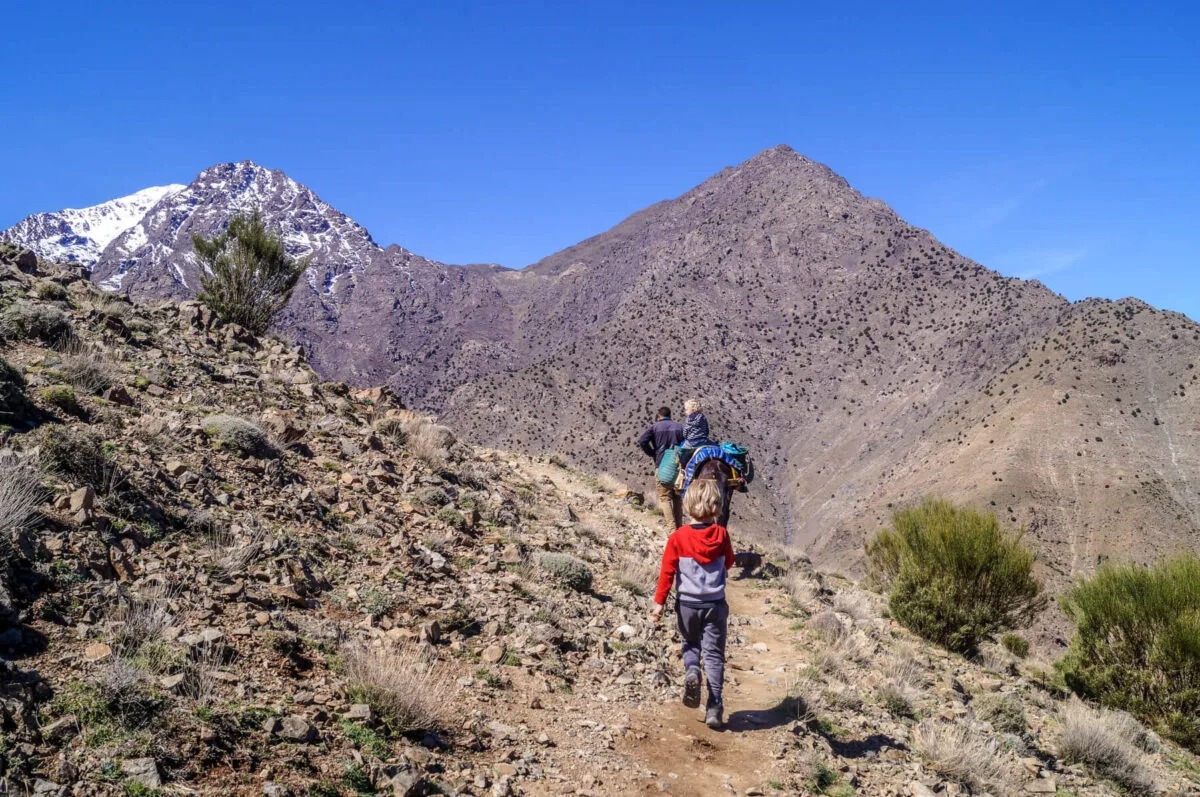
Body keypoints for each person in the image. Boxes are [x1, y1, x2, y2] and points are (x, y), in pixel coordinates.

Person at [649, 478, 734, 729]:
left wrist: (659, 605)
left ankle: (691, 671)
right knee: (714, 654)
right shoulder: (721, 534)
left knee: (690, 643)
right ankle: (715, 705)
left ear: (687, 505)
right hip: (715, 603)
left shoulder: (678, 537)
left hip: (687, 603)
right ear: (716, 506)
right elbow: (729, 561)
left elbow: (667, 572)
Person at [637, 406, 684, 528]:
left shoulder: (655, 427)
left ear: (659, 416)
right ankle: (679, 528)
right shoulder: (680, 427)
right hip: (678, 468)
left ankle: (672, 529)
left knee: (665, 498)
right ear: (670, 415)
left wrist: (652, 453)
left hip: (661, 465)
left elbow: (642, 441)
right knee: (677, 498)